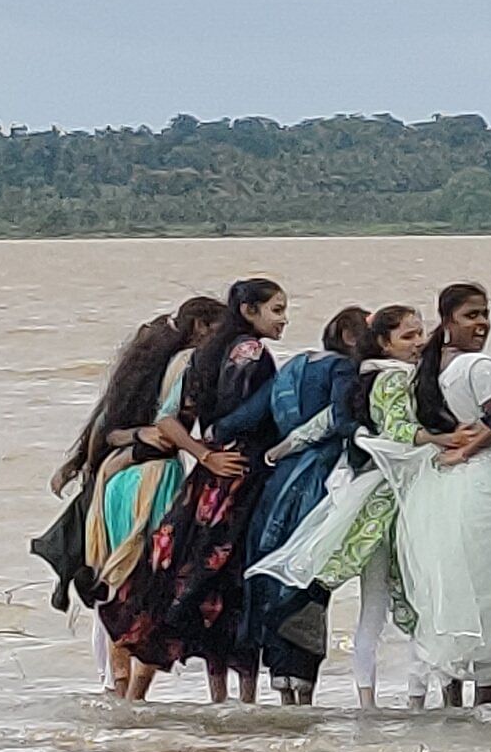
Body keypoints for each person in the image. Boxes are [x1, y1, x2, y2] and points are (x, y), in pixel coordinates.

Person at [255, 305, 466, 708]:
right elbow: (398, 429)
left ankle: (372, 699)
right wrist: (441, 440)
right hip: (396, 500)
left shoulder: (368, 375)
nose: (420, 342)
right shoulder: (390, 379)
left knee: (378, 606)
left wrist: (282, 448)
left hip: (380, 494)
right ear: (385, 343)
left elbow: (329, 422)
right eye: (408, 336)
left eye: (421, 333)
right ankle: (412, 698)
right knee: (413, 600)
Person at [104, 279, 287, 702]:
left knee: (195, 582)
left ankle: (215, 700)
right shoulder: (253, 353)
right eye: (276, 309)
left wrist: (204, 456)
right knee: (238, 583)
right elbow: (261, 416)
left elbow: (168, 422)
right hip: (244, 476)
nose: (284, 318)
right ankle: (245, 701)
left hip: (207, 483)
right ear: (248, 310)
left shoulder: (201, 357)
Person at [217, 306, 374, 705]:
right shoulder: (344, 370)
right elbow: (341, 420)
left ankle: (283, 690)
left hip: (278, 486)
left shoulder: (291, 367)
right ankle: (302, 693)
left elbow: (237, 422)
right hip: (318, 481)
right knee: (309, 583)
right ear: (353, 338)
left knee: (276, 580)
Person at [80, 296, 229, 692]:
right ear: (200, 328)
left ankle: (117, 684)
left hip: (118, 484)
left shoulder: (146, 370)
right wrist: (204, 454)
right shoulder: (189, 364)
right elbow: (168, 427)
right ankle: (133, 690)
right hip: (154, 482)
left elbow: (109, 430)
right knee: (150, 585)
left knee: (118, 581)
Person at [399, 283, 491, 705]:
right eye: (471, 315)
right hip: (485, 485)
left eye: (485, 314)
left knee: (450, 592)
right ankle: (485, 703)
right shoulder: (478, 367)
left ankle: (451, 700)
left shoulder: (428, 367)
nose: (482, 324)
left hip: (440, 488)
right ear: (447, 321)